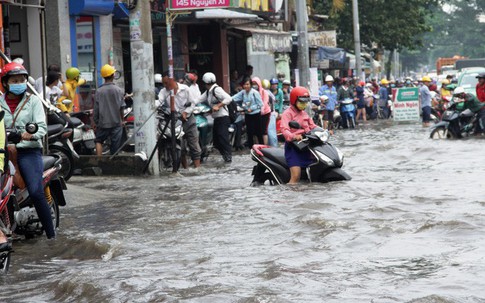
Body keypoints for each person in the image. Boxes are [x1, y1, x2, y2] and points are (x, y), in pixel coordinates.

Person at [0, 62, 55, 239]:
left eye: (22, 79)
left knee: (36, 191)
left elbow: (41, 127)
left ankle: (51, 236)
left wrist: (28, 135)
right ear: (6, 83)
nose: (19, 83)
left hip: (28, 151)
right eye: (15, 80)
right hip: (4, 151)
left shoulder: (33, 101)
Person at [158, 71, 202, 169]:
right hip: (174, 121)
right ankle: (185, 168)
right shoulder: (163, 92)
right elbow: (159, 102)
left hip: (188, 120)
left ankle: (197, 168)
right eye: (163, 83)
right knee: (180, 147)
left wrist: (186, 112)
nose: (165, 86)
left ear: (172, 80)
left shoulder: (185, 89)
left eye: (166, 83)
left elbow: (193, 103)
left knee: (194, 145)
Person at [280, 86, 317, 184]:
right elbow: (284, 129)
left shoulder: (304, 114)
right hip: (293, 147)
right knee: (296, 176)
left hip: (306, 146)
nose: (304, 104)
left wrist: (324, 132)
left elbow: (313, 126)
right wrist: (293, 136)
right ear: (294, 100)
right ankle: (290, 195)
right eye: (301, 102)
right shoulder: (287, 113)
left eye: (305, 102)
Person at [197, 72, 233, 163]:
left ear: (205, 82)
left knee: (222, 138)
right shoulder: (208, 92)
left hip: (223, 118)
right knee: (216, 141)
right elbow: (198, 100)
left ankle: (228, 158)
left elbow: (228, 98)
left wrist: (218, 106)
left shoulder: (216, 89)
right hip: (216, 118)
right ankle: (225, 157)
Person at [93, 64, 126, 156]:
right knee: (115, 147)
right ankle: (114, 165)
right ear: (113, 75)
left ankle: (99, 161)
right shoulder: (118, 90)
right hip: (116, 123)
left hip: (103, 123)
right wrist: (122, 120)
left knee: (98, 141)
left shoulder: (99, 91)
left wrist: (95, 122)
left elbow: (96, 109)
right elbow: (121, 107)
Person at [232, 77, 263, 148]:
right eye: (244, 84)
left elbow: (260, 104)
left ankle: (262, 147)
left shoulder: (255, 93)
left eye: (247, 84)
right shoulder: (243, 93)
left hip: (256, 114)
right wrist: (226, 99)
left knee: (258, 132)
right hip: (248, 114)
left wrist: (252, 108)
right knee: (249, 132)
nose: (246, 86)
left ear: (251, 85)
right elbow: (234, 97)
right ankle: (251, 148)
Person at [252, 77, 271, 145]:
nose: (254, 85)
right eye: (253, 84)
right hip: (254, 113)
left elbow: (265, 102)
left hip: (265, 113)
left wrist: (261, 109)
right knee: (255, 131)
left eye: (255, 84)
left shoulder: (264, 92)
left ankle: (264, 148)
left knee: (263, 131)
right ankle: (257, 147)